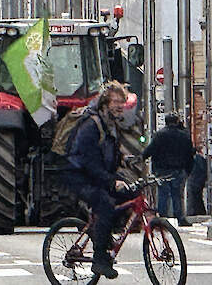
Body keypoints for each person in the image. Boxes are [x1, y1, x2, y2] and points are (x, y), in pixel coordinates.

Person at [63, 82, 133, 279]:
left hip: (97, 173)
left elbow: (108, 153)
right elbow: (89, 161)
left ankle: (103, 232)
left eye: (122, 102)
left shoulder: (110, 124)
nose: (120, 106)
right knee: (104, 203)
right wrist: (111, 182)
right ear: (105, 103)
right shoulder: (91, 125)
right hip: (78, 175)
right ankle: (99, 260)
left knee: (130, 193)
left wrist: (124, 159)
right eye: (116, 101)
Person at [140, 113, 193, 226]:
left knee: (163, 194)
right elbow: (189, 154)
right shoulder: (184, 135)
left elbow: (150, 149)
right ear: (177, 121)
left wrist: (142, 157)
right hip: (178, 169)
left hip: (162, 169)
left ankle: (161, 218)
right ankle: (180, 217)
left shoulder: (159, 135)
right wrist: (188, 170)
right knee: (177, 194)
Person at [187, 146, 207, 216]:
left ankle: (194, 211)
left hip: (196, 180)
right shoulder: (200, 158)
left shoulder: (195, 159)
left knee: (194, 196)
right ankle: (200, 211)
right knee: (198, 197)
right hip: (199, 180)